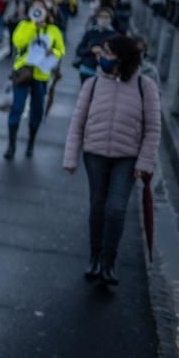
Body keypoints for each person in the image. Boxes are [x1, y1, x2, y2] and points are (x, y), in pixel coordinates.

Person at [63, 35, 161, 285]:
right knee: (97, 207)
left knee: (116, 209)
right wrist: (70, 156)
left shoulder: (145, 86)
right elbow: (77, 121)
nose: (101, 57)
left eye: (107, 54)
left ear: (122, 58)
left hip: (127, 158)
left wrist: (144, 163)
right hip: (94, 154)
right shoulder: (93, 84)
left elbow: (153, 128)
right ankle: (95, 259)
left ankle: (109, 263)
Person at [3, 0, 65, 160]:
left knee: (37, 111)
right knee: (17, 107)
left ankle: (31, 142)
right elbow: (18, 42)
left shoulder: (53, 29)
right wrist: (33, 27)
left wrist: (55, 53)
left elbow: (61, 50)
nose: (37, 10)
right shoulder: (24, 25)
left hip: (41, 75)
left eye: (41, 8)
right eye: (34, 7)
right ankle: (11, 145)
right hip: (23, 72)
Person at [73, 7, 115, 84]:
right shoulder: (90, 32)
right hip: (87, 69)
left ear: (111, 19)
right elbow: (79, 50)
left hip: (104, 73)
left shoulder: (114, 35)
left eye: (106, 17)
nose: (103, 19)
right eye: (101, 16)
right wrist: (91, 50)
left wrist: (104, 53)